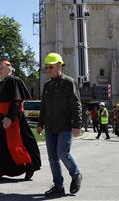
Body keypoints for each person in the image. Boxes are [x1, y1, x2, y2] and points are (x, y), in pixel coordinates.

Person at [0, 60, 41, 181]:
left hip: (13, 118)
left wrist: (10, 118)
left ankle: (28, 166)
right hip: (1, 117)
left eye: (2, 68)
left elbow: (17, 101)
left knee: (15, 144)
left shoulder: (14, 80)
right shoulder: (2, 83)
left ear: (9, 69)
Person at [37, 52, 82, 197]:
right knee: (52, 157)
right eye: (46, 68)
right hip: (50, 127)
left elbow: (76, 104)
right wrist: (40, 123)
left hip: (65, 126)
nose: (48, 70)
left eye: (50, 67)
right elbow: (43, 106)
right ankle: (58, 186)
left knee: (62, 153)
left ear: (59, 66)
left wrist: (77, 124)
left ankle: (76, 174)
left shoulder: (69, 82)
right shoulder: (47, 86)